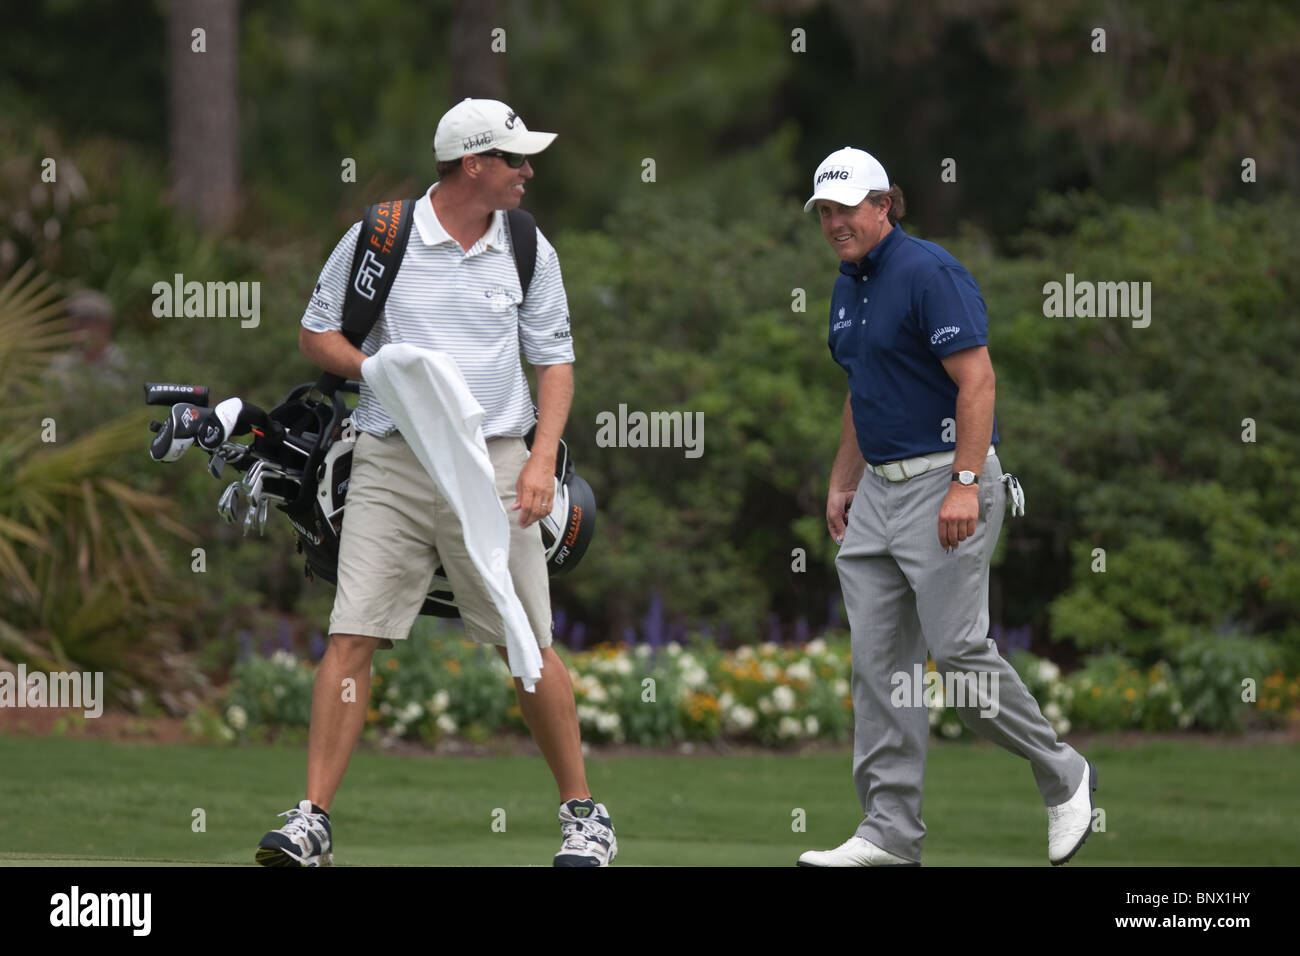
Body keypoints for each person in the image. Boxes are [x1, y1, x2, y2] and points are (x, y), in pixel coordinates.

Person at [255, 98, 616, 867]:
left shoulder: (525, 243)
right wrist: (372, 367)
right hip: (391, 461)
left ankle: (584, 816)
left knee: (528, 642)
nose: (527, 171)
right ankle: (311, 819)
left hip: (497, 463)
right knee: (353, 635)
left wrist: (543, 458)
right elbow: (317, 332)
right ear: (473, 164)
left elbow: (554, 360)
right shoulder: (380, 237)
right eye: (514, 159)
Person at [797, 147, 1097, 867]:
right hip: (877, 493)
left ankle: (1064, 775)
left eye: (848, 208)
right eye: (826, 212)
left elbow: (979, 383)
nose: (837, 222)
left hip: (945, 483)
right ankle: (889, 832)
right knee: (878, 666)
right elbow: (861, 389)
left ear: (884, 205)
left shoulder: (929, 272)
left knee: (960, 657)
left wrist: (965, 481)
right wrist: (843, 480)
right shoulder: (847, 284)